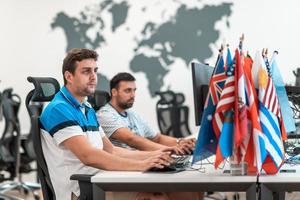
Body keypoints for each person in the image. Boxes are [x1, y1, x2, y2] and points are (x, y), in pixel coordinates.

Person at [39, 48, 173, 200]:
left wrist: (155, 156)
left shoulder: (87, 108)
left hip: (101, 180)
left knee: (175, 189)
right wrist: (142, 165)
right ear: (69, 76)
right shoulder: (59, 109)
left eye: (95, 71)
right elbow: (88, 156)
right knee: (163, 195)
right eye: (86, 71)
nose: (93, 77)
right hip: (81, 190)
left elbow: (111, 150)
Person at [97, 72, 196, 154]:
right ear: (114, 92)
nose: (133, 95)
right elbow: (131, 139)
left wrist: (180, 142)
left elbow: (157, 138)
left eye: (134, 90)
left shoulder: (132, 115)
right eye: (128, 91)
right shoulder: (104, 114)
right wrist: (169, 150)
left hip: (143, 161)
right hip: (124, 169)